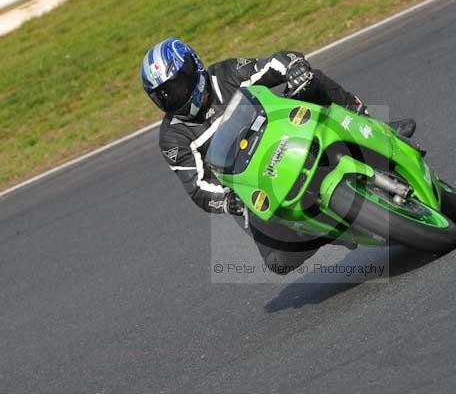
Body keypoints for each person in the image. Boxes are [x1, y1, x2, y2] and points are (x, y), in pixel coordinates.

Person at [140, 37, 416, 274]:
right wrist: (229, 202)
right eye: (163, 96)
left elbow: (273, 64)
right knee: (278, 262)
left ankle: (372, 126)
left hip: (287, 136)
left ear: (194, 68)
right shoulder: (172, 138)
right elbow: (198, 188)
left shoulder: (224, 74)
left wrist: (294, 68)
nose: (173, 99)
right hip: (254, 187)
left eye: (176, 87)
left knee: (311, 81)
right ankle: (323, 228)